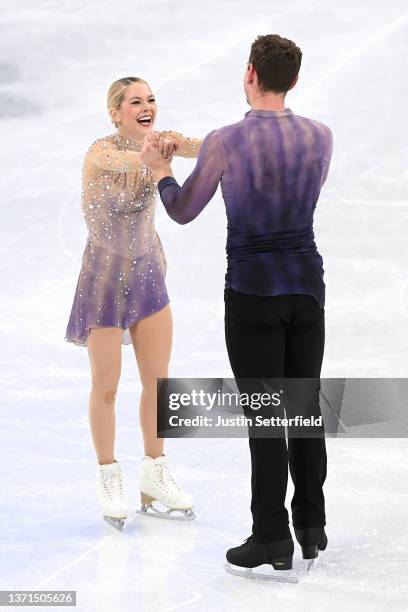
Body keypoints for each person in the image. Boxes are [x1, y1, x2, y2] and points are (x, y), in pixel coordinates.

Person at [141, 34, 333, 575]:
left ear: (250, 73)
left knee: (266, 417)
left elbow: (181, 211)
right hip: (305, 288)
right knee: (304, 406)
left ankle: (271, 535)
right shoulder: (321, 136)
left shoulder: (225, 141)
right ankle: (312, 525)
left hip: (252, 293)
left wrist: (162, 171)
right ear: (292, 80)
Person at [64, 76, 201, 529]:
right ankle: (108, 474)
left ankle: (154, 472)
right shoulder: (100, 152)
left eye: (151, 100)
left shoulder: (159, 143)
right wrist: (162, 152)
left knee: (157, 383)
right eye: (135, 102)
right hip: (103, 279)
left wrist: (233, 141)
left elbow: (200, 147)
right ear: (115, 111)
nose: (146, 107)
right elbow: (133, 159)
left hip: (146, 275)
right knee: (106, 384)